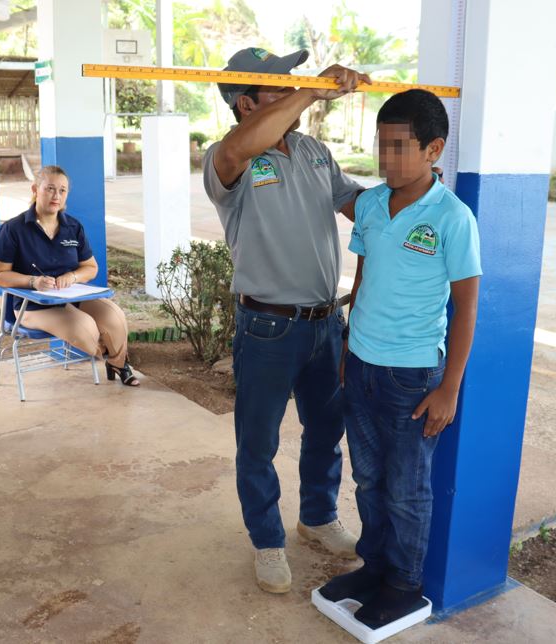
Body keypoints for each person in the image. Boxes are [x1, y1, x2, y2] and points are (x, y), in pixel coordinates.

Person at [202, 47, 370, 593]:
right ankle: (267, 541)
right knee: (258, 442)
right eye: (279, 85)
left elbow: (358, 206)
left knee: (328, 431)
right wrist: (316, 90)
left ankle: (317, 519)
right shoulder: (229, 159)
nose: (294, 88)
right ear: (247, 101)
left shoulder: (314, 151)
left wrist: (413, 190)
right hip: (267, 328)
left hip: (326, 324)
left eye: (293, 81)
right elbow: (240, 145)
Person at [318, 90, 482, 627]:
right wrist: (347, 346)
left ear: (433, 149)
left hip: (414, 377)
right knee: (368, 479)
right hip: (362, 364)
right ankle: (375, 566)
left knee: (408, 488)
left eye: (398, 147)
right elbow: (363, 276)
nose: (386, 160)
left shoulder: (453, 219)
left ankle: (404, 585)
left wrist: (449, 387)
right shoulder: (368, 205)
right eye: (380, 146)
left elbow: (466, 307)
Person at [0, 165, 139, 386]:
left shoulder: (73, 227)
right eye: (50, 188)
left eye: (62, 190)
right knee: (85, 328)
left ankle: (117, 363)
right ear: (35, 189)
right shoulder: (13, 229)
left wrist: (73, 277)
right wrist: (33, 281)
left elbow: (90, 267)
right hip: (31, 306)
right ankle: (110, 356)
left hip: (72, 296)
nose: (56, 196)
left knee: (114, 318)